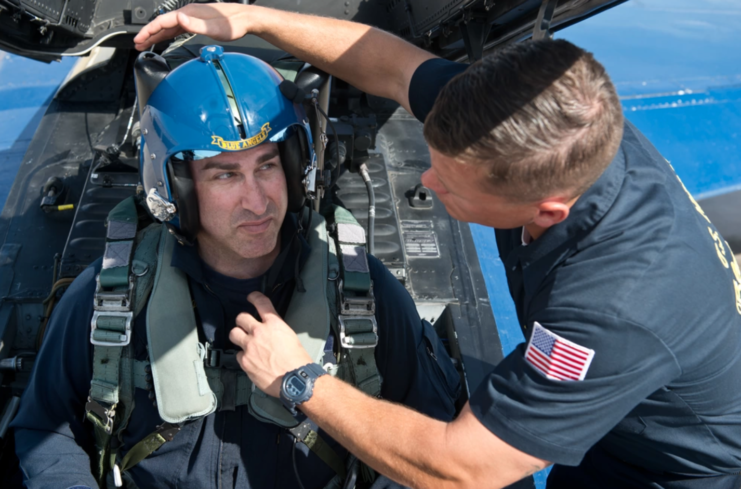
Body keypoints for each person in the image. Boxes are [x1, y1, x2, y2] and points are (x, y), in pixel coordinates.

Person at [132, 4, 741, 489]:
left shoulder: (613, 308)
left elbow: (462, 469)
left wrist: (299, 379)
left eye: (450, 183)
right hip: (610, 423)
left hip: (675, 468)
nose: (426, 181)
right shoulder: (549, 123)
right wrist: (253, 18)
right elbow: (395, 67)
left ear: (546, 211)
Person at [10, 46, 461, 489]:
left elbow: (433, 441)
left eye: (268, 166)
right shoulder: (112, 295)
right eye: (225, 175)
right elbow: (48, 431)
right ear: (177, 187)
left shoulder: (362, 296)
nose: (258, 201)